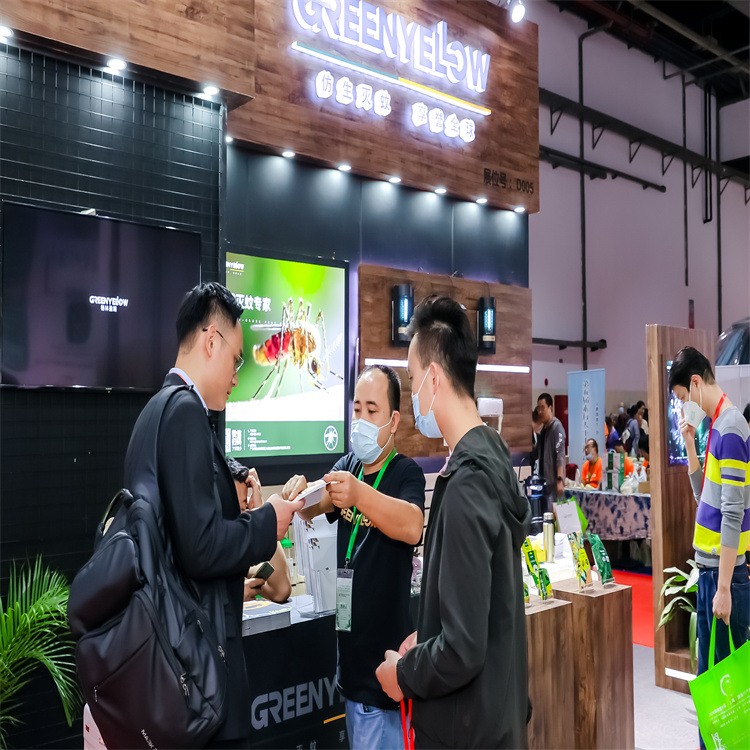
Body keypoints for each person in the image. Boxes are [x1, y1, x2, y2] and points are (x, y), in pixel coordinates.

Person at [124, 282, 304, 748]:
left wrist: (231, 492)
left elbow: (180, 529)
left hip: (172, 666)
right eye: (236, 360)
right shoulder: (185, 412)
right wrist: (267, 522)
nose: (236, 377)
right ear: (210, 341)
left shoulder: (154, 412)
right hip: (200, 672)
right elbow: (200, 548)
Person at [374, 296, 531, 749]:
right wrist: (425, 636)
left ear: (434, 378)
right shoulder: (493, 460)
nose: (413, 393)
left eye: (412, 379)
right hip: (494, 720)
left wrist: (403, 673)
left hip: (467, 732)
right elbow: (479, 612)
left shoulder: (466, 483)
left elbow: (463, 648)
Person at [283, 364, 425, 750]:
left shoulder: (405, 473)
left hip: (387, 671)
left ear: (392, 422)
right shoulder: (348, 466)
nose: (360, 420)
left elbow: (412, 525)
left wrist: (360, 495)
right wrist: (299, 493)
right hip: (351, 667)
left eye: (371, 410)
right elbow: (315, 503)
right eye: (356, 409)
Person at [668, 345, 749, 750]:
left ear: (696, 383)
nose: (685, 407)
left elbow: (733, 514)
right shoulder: (717, 425)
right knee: (713, 690)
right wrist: (689, 447)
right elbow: (708, 502)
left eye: (683, 397)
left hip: (722, 575)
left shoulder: (730, 427)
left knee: (724, 695)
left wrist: (724, 588)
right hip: (712, 573)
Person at [226, 457, 292, 603]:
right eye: (234, 508)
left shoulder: (235, 553)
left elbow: (281, 590)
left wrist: (261, 513)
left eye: (243, 508)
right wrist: (231, 597)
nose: (240, 516)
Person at [533, 392, 566, 512]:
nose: (540, 412)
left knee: (553, 518)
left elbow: (560, 455)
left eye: (543, 408)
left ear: (550, 408)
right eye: (538, 408)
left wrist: (560, 480)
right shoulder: (543, 429)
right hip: (543, 483)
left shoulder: (557, 427)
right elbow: (536, 454)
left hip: (553, 485)